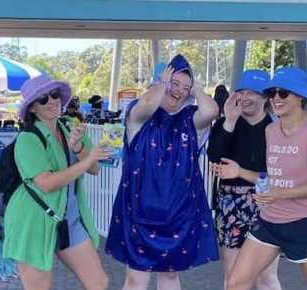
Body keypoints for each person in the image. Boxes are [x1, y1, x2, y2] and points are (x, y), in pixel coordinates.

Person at [105, 54, 220, 290]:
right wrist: (161, 84)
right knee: (136, 279)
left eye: (184, 88)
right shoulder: (138, 117)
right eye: (174, 84)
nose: (179, 91)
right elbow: (147, 104)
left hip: (178, 215)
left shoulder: (190, 120)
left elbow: (211, 112)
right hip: (139, 214)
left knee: (169, 277)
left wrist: (195, 88)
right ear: (158, 83)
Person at [2, 75, 110, 290]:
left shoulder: (71, 127)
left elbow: (94, 169)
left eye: (54, 95)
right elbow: (46, 183)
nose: (51, 101)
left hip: (69, 218)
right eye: (42, 99)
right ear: (32, 108)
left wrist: (79, 148)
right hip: (32, 220)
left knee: (98, 283)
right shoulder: (27, 138)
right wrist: (87, 159)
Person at [213, 67, 307, 290]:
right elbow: (270, 178)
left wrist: (279, 194)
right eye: (272, 92)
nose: (275, 98)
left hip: (302, 221)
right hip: (269, 220)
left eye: (283, 93)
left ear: (301, 97)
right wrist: (239, 172)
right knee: (235, 283)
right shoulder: (272, 131)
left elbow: (278, 189)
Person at [207, 70, 281, 290]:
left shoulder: (275, 128)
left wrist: (240, 172)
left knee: (265, 276)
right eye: (241, 91)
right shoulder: (226, 124)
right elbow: (214, 157)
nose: (245, 97)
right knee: (233, 276)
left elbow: (281, 177)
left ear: (265, 97)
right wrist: (229, 120)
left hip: (264, 203)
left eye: (253, 92)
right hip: (229, 204)